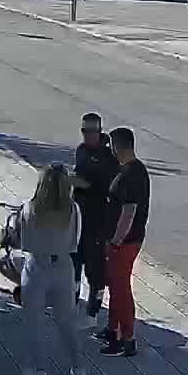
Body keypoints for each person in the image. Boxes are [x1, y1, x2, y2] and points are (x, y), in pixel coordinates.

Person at [17, 165, 87, 375]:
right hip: (64, 266)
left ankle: (38, 370)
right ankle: (78, 367)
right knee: (67, 322)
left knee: (34, 323)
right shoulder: (73, 210)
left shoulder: (29, 209)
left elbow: (25, 243)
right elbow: (75, 241)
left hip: (37, 266)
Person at [98, 127, 150, 358]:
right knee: (116, 286)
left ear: (119, 146)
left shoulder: (132, 174)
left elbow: (129, 211)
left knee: (121, 289)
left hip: (125, 242)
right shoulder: (130, 170)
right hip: (120, 240)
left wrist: (116, 241)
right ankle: (113, 329)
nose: (110, 149)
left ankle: (126, 339)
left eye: (112, 145)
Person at [70, 112, 116, 317]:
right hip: (79, 218)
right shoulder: (81, 151)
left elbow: (98, 185)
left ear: (99, 131)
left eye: (91, 131)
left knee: (95, 270)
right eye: (83, 131)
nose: (87, 135)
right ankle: (72, 300)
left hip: (97, 221)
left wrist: (76, 182)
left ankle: (94, 308)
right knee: (74, 263)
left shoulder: (107, 156)